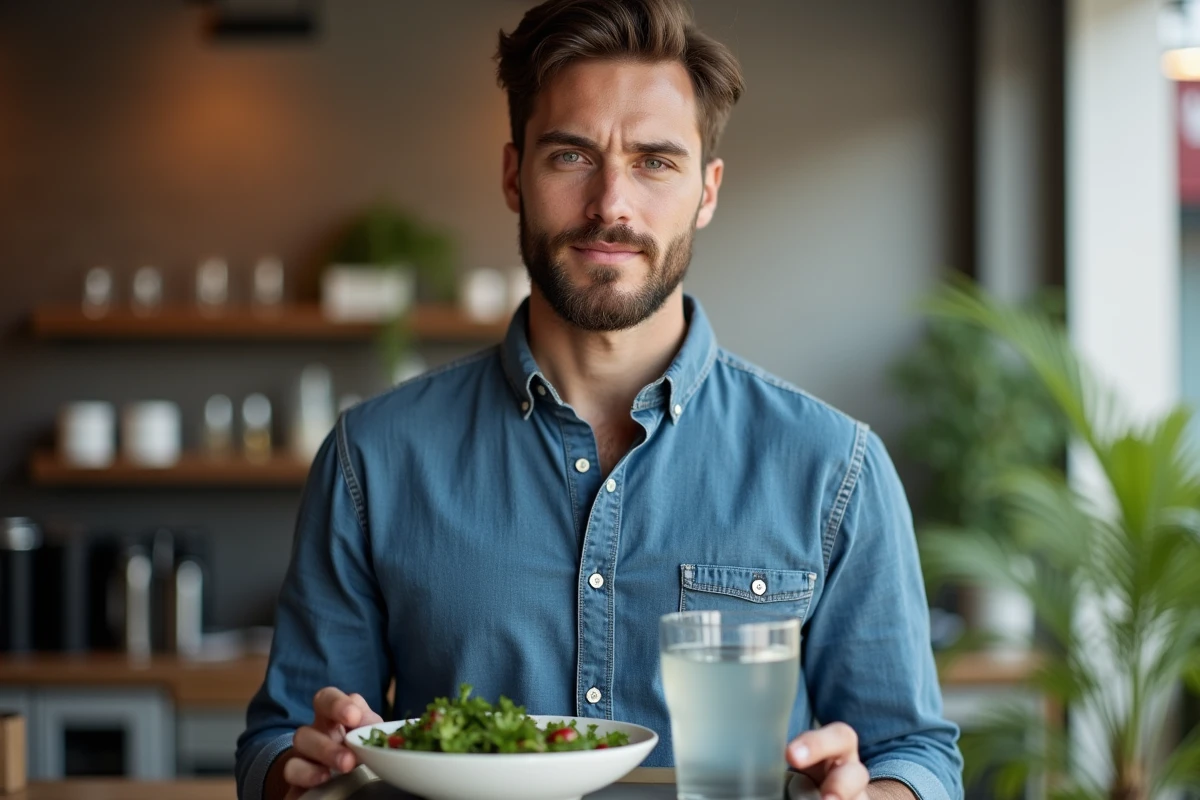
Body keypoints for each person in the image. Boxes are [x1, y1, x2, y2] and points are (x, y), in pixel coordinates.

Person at [235, 1, 964, 798]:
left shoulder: (836, 468)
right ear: (515, 174)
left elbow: (914, 754)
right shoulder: (370, 459)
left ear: (707, 191)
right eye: (571, 156)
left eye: (655, 162)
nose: (612, 204)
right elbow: (277, 743)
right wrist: (302, 767)